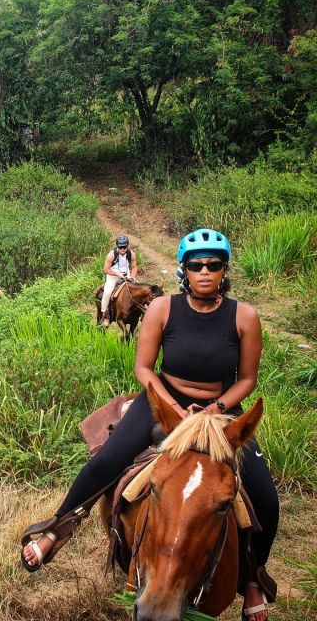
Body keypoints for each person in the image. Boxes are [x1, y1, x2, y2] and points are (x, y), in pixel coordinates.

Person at [21, 229, 278, 621]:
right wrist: (173, 407)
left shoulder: (245, 316)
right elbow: (144, 368)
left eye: (214, 265)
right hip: (164, 401)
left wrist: (216, 408)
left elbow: (247, 379)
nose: (205, 272)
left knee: (265, 496)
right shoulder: (162, 310)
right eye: (196, 265)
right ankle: (59, 527)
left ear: (225, 270)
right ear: (183, 271)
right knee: (106, 462)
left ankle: (253, 579)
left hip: (220, 411)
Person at [100, 235, 138, 327]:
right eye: (120, 247)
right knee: (107, 292)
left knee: (140, 288)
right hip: (113, 275)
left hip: (127, 275)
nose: (122, 249)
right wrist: (117, 274)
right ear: (117, 246)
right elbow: (106, 269)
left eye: (124, 247)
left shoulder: (131, 254)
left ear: (127, 246)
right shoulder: (111, 255)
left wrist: (132, 277)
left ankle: (142, 312)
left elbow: (134, 267)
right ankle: (104, 315)